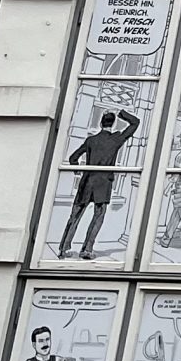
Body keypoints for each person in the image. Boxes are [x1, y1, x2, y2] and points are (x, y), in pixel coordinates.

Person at [56, 106, 140, 259]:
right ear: (112, 124)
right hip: (103, 184)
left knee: (75, 216)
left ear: (101, 123)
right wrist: (120, 112)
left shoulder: (91, 140)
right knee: (98, 217)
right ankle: (87, 249)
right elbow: (135, 123)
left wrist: (77, 169)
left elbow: (73, 157)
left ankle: (63, 249)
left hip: (87, 182)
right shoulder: (116, 139)